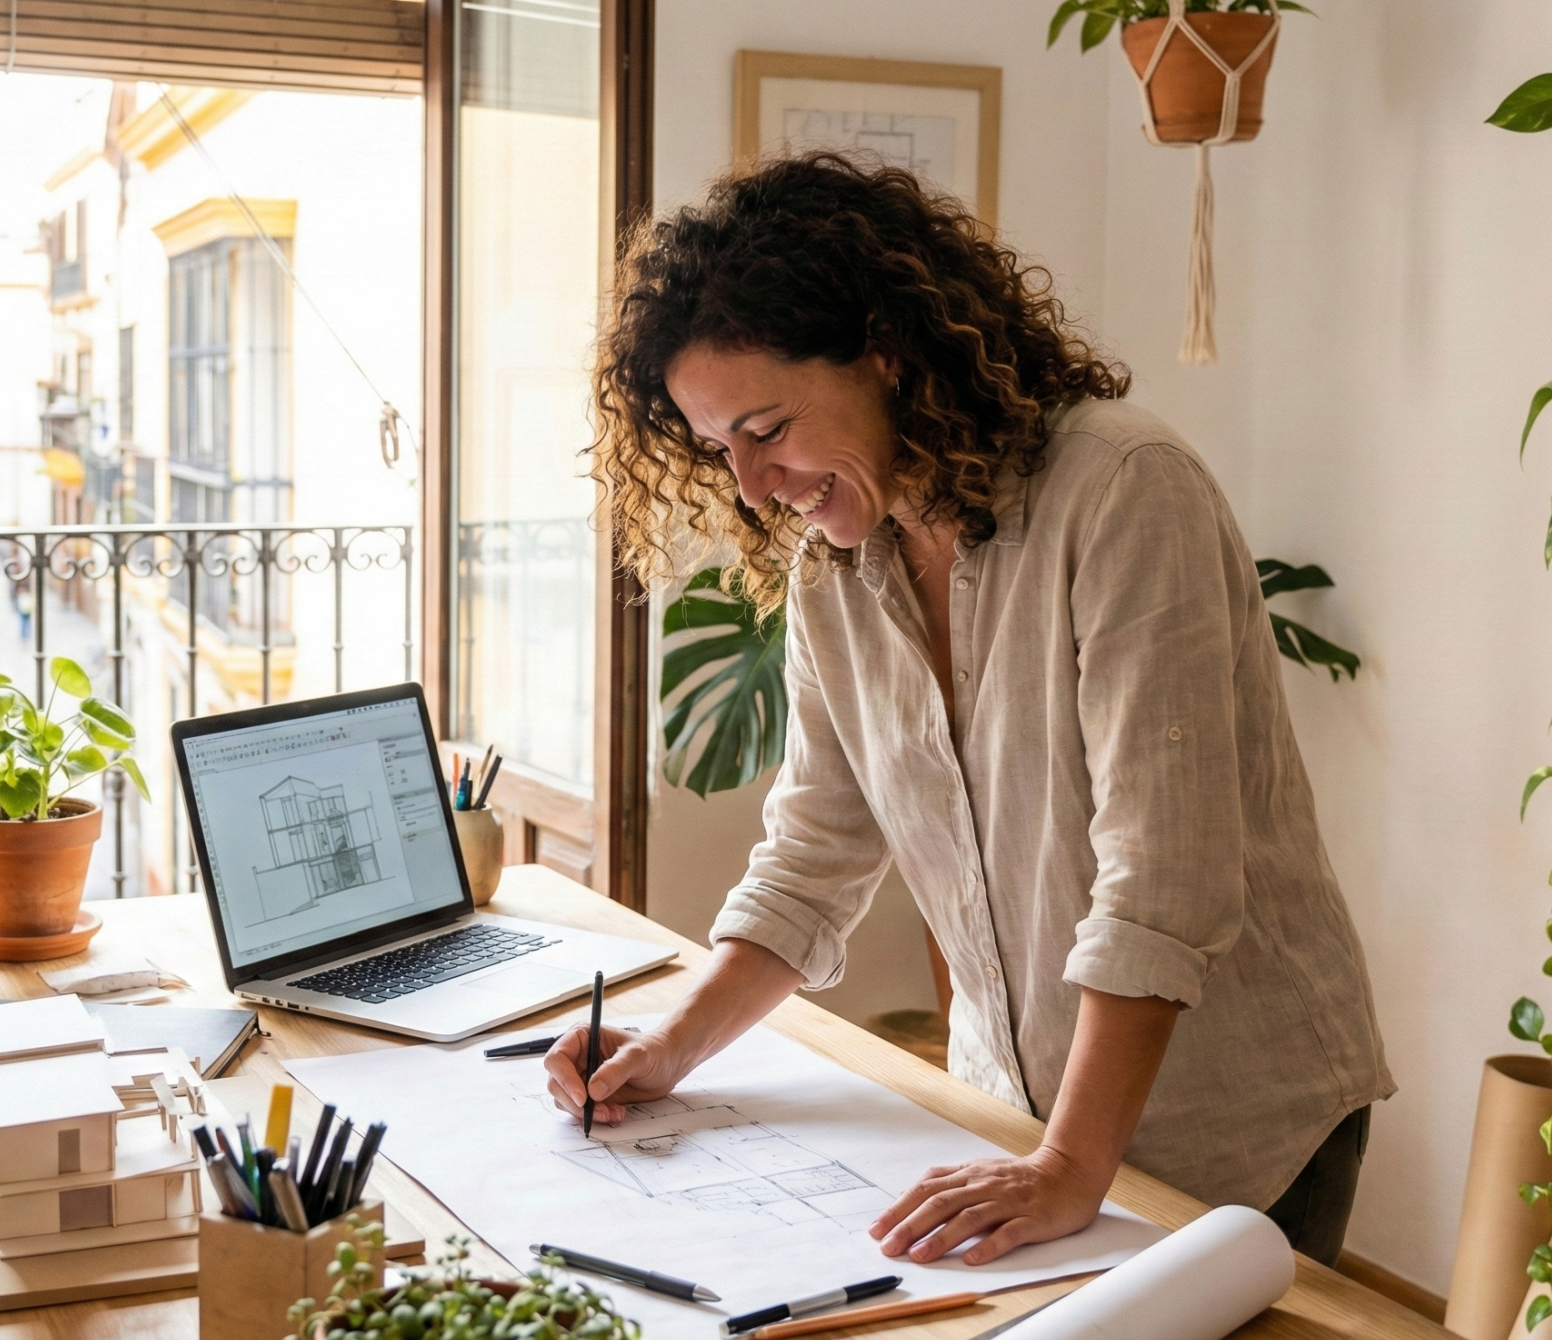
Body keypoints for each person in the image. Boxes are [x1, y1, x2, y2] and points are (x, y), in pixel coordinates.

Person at [545, 153, 1393, 1268]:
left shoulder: (1123, 490)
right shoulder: (835, 576)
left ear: (885, 355)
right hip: (1020, 1117)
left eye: (767, 427)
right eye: (719, 449)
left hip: (1233, 1126)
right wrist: (665, 1046)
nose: (750, 484)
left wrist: (1067, 1166)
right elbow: (810, 861)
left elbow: (1164, 882)